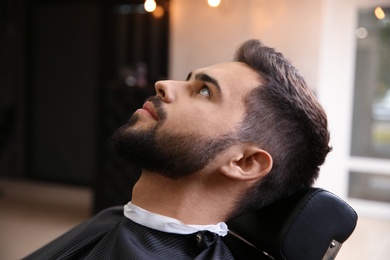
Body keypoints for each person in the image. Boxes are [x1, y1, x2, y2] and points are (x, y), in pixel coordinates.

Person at [24, 39, 331, 260]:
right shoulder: (116, 218)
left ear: (245, 162)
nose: (163, 84)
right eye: (188, 80)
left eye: (205, 91)